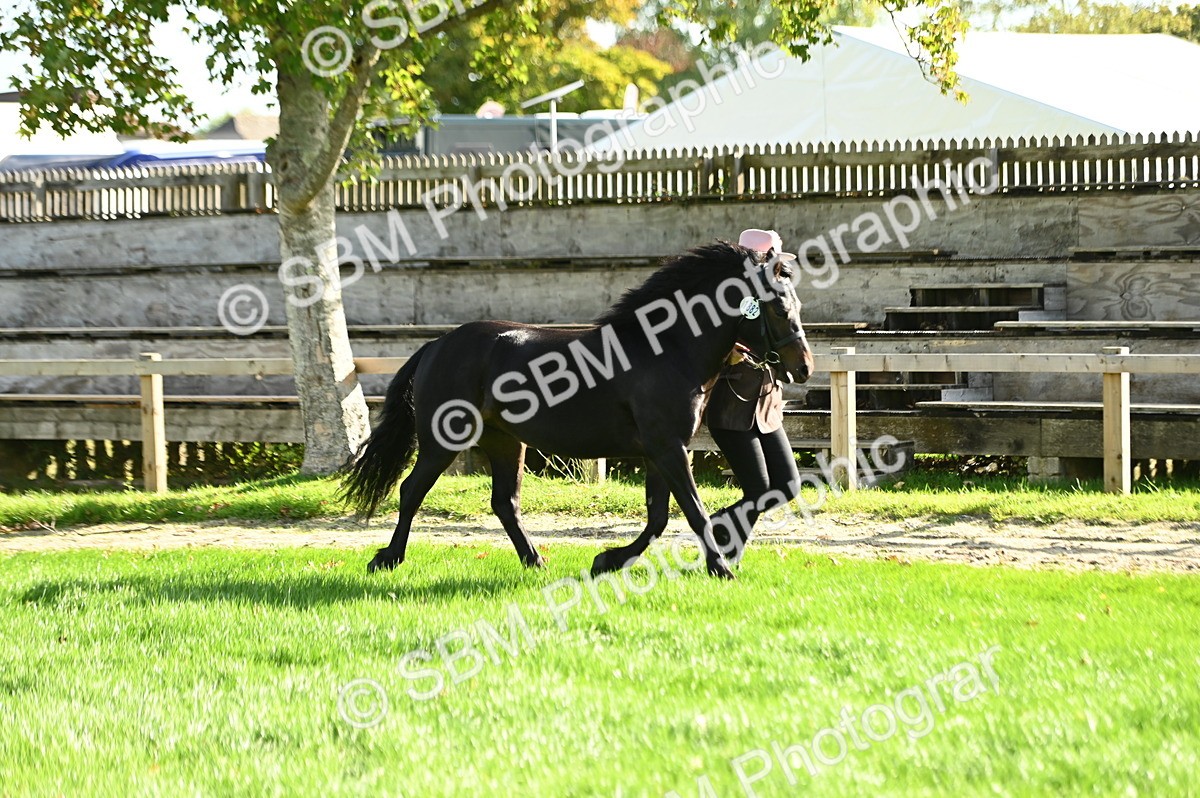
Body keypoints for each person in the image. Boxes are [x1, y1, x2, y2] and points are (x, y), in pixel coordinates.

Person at [703, 228, 802, 564]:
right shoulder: (723, 295)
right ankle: (726, 550)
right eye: (768, 259)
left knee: (788, 485)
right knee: (758, 490)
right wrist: (723, 354)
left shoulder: (779, 292)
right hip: (731, 409)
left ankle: (720, 529)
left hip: (767, 405)